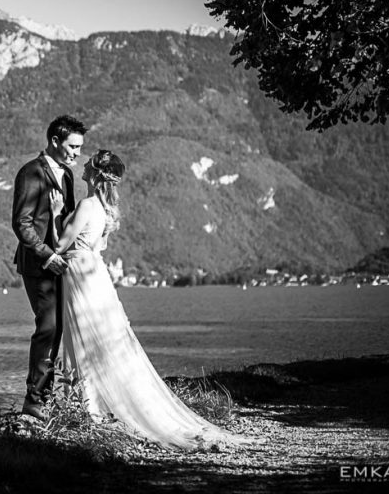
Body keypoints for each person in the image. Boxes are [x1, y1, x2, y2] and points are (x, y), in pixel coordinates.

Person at [49, 149, 253, 450]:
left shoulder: (86, 205)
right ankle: (98, 405)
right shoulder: (105, 210)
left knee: (82, 340)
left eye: (89, 162)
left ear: (94, 174)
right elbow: (97, 244)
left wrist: (55, 212)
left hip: (79, 275)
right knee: (104, 338)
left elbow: (61, 243)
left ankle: (90, 408)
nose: (84, 163)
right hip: (96, 276)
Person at [11, 115, 87, 420]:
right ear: (55, 141)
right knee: (48, 328)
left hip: (61, 264)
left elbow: (64, 220)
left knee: (59, 329)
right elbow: (21, 223)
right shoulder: (30, 173)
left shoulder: (67, 175)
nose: (77, 153)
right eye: (72, 146)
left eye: (80, 147)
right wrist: (47, 255)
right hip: (39, 265)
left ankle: (49, 397)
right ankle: (35, 400)